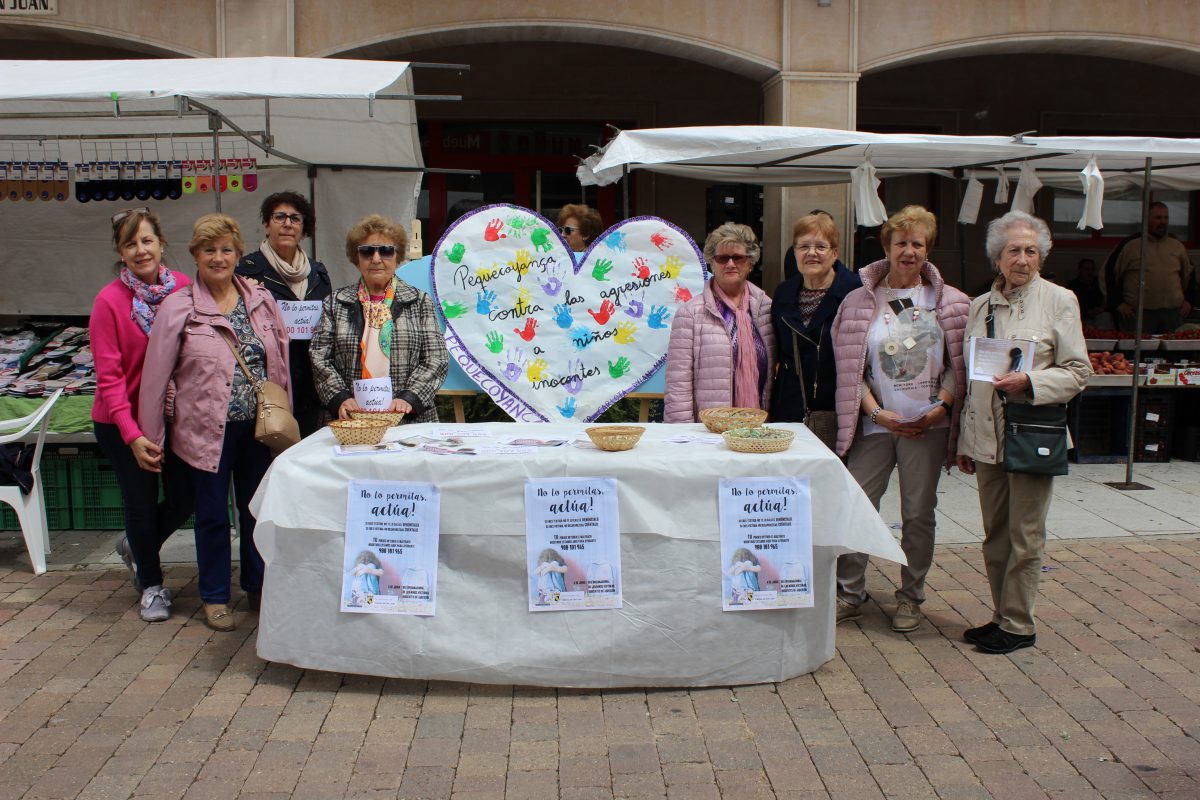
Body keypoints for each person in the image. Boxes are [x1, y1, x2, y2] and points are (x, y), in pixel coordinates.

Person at [140, 214, 291, 632]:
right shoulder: (179, 307)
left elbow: (279, 365)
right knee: (211, 515)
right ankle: (214, 596)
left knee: (257, 511)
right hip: (204, 430)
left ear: (238, 254)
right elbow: (156, 377)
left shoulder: (261, 300)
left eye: (226, 249)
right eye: (209, 249)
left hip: (257, 430)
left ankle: (258, 586)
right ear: (195, 255)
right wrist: (149, 435)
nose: (218, 257)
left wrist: (285, 424)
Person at [957, 210, 1090, 655]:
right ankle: (1001, 615)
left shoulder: (1059, 300)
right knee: (994, 534)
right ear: (997, 257)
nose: (1023, 259)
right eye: (1014, 250)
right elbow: (971, 381)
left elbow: (1077, 373)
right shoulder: (980, 306)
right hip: (988, 438)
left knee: (1025, 534)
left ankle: (1019, 624)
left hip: (1033, 432)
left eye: (1031, 251)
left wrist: (1030, 382)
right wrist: (965, 441)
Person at [831, 205, 969, 633]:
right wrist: (876, 412)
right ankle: (849, 592)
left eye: (917, 243)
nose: (908, 251)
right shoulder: (857, 301)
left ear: (927, 249)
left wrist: (941, 408)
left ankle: (911, 597)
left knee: (917, 513)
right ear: (886, 247)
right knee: (856, 503)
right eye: (901, 243)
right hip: (874, 424)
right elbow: (849, 368)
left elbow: (958, 365)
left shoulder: (951, 303)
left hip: (927, 427)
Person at [90, 207, 193, 623]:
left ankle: (137, 544)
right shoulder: (109, 302)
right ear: (120, 251)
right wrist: (133, 435)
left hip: (173, 418)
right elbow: (109, 381)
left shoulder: (183, 288)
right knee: (141, 503)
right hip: (122, 423)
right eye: (130, 243)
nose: (140, 250)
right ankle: (151, 585)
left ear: (161, 243)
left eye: (147, 240)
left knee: (186, 495)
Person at [310, 214, 449, 423]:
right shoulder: (335, 302)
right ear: (356, 258)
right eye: (367, 251)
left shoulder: (419, 301)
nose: (376, 259)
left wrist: (409, 397)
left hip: (409, 420)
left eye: (385, 251)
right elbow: (319, 357)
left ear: (397, 256)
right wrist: (341, 398)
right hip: (350, 421)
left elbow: (436, 358)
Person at [236, 191, 332, 437]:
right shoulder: (247, 272)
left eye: (295, 218)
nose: (287, 224)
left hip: (309, 387)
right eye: (279, 217)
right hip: (267, 385)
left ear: (304, 228)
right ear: (266, 225)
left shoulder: (318, 274)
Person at [664, 222, 776, 422]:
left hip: (759, 431)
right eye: (723, 258)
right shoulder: (690, 314)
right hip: (709, 434)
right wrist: (681, 437)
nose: (731, 264)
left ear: (750, 263)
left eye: (738, 258)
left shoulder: (768, 309)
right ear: (712, 263)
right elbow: (678, 385)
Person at [770, 213, 862, 449]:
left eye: (820, 246)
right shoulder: (783, 294)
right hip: (789, 408)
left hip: (838, 408)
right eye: (803, 246)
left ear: (834, 252)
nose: (811, 253)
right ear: (795, 252)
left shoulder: (856, 293)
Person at [1113, 201, 1193, 335]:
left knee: (1172, 355)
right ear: (1146, 220)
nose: (1163, 222)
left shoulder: (1177, 246)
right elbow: (1110, 275)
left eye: (1166, 218)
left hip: (1172, 314)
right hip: (1139, 314)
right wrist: (1117, 303)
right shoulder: (1131, 246)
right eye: (1158, 217)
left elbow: (1189, 274)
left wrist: (1189, 300)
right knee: (1139, 354)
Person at [1066, 257, 1111, 328]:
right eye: (1086, 269)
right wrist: (1087, 312)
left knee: (1106, 317)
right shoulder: (1072, 286)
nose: (1089, 272)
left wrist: (1101, 308)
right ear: (1079, 270)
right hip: (1081, 317)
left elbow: (1106, 297)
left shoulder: (1099, 283)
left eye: (1092, 269)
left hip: (1099, 316)